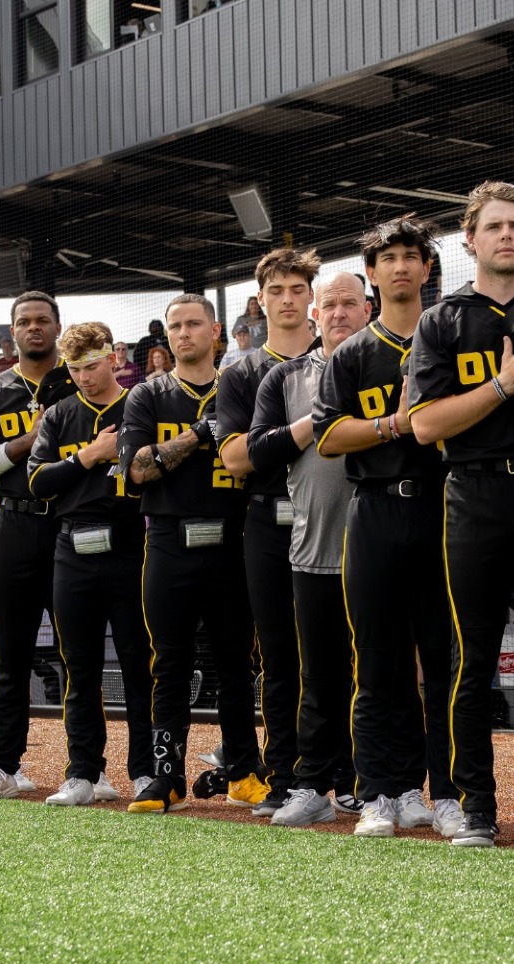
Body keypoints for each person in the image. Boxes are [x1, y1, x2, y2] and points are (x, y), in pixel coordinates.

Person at [407, 180, 514, 849]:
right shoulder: (442, 322)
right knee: (470, 658)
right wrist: (504, 386)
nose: (506, 236)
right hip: (471, 494)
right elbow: (423, 426)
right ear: (469, 239)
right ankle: (475, 803)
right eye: (493, 226)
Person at [310, 215, 454, 838]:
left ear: (428, 267)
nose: (400, 265)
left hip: (445, 509)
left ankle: (445, 791)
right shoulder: (352, 354)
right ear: (372, 274)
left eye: (411, 255)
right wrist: (395, 425)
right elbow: (327, 437)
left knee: (444, 661)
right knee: (377, 661)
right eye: (387, 256)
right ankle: (380, 790)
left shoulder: (450, 334)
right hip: (372, 509)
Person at [117, 293, 264, 812]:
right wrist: (200, 434)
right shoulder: (148, 395)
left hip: (233, 538)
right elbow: (136, 469)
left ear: (216, 330)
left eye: (193, 324)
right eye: (175, 326)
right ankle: (165, 777)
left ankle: (246, 770)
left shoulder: (241, 385)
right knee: (169, 663)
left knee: (235, 663)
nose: (183, 334)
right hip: (168, 541)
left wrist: (171, 453)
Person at [245, 271, 369, 826]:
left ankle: (384, 784)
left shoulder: (396, 361)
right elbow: (256, 452)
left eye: (349, 303)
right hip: (313, 547)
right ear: (315, 315)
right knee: (317, 676)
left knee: (386, 672)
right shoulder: (285, 377)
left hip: (386, 545)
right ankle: (314, 781)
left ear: (367, 308)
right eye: (330, 305)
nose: (338, 313)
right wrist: (315, 423)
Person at [0, 294, 73, 799]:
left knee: (79, 654)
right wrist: (27, 440)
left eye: (42, 320)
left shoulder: (79, 383)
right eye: (24, 322)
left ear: (58, 327)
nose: (34, 328)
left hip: (71, 527)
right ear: (12, 334)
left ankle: (85, 769)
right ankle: (2, 765)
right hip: (13, 524)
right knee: (9, 653)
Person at [220, 247, 324, 814]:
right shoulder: (241, 371)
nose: (287, 299)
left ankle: (348, 773)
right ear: (261, 301)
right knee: (279, 654)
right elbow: (238, 459)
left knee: (336, 650)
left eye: (296, 288)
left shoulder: (338, 355)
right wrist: (309, 430)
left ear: (311, 293)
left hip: (334, 514)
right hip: (265, 517)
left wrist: (273, 442)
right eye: (276, 291)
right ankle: (284, 774)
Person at [25, 323, 143, 805]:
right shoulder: (59, 415)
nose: (84, 377)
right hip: (72, 547)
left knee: (140, 664)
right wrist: (89, 457)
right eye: (73, 369)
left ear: (113, 357)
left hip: (132, 544)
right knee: (79, 665)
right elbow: (37, 482)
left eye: (91, 366)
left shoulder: (140, 403)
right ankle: (85, 772)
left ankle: (145, 772)